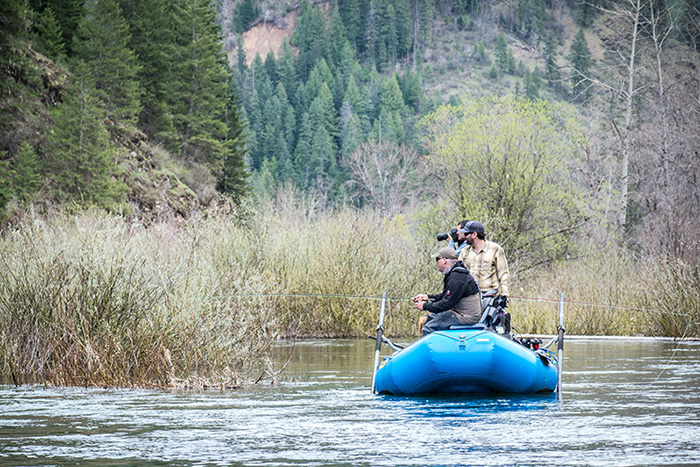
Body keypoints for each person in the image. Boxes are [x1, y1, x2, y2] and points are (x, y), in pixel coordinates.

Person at [413, 247, 482, 337]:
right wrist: (427, 297)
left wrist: (424, 306)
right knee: (430, 318)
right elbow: (446, 296)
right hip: (459, 312)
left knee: (428, 328)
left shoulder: (457, 277)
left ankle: (432, 351)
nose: (436, 262)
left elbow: (446, 304)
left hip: (465, 317)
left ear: (444, 260)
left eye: (437, 259)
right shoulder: (455, 274)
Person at [457, 221, 510, 299]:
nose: (464, 237)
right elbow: (458, 274)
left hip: (489, 295)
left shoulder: (496, 249)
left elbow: (503, 273)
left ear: (474, 234)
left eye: (466, 234)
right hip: (469, 295)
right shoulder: (464, 251)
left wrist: (504, 293)